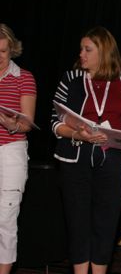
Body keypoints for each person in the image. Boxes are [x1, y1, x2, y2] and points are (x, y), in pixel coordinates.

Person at [51, 26, 121, 274]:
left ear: (104, 52)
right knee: (77, 223)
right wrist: (78, 133)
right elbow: (54, 121)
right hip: (75, 157)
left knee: (106, 224)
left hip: (114, 160)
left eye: (88, 49)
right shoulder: (71, 79)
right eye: (81, 49)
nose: (82, 54)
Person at [0, 24, 36, 274]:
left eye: (2, 51)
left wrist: (11, 124)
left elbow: (27, 122)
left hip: (11, 151)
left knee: (5, 219)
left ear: (12, 50)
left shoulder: (24, 77)